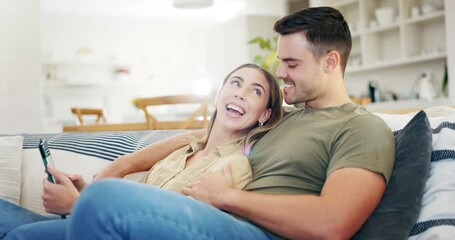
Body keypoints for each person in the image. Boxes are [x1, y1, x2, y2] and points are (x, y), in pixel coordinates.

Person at [9, 6, 396, 240]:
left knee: (104, 201)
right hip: (215, 218)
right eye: (281, 61)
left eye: (292, 64)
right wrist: (121, 166)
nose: (280, 73)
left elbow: (333, 225)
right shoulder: (282, 118)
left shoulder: (362, 128)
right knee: (22, 230)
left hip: (256, 233)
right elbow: (200, 135)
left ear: (330, 62)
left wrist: (227, 197)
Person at [1, 63, 283, 239]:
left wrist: (78, 206)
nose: (240, 93)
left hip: (121, 230)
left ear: (264, 114)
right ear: (218, 94)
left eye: (255, 92)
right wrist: (85, 193)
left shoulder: (233, 166)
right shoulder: (182, 150)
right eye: (235, 83)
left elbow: (172, 228)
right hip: (104, 221)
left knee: (22, 235)